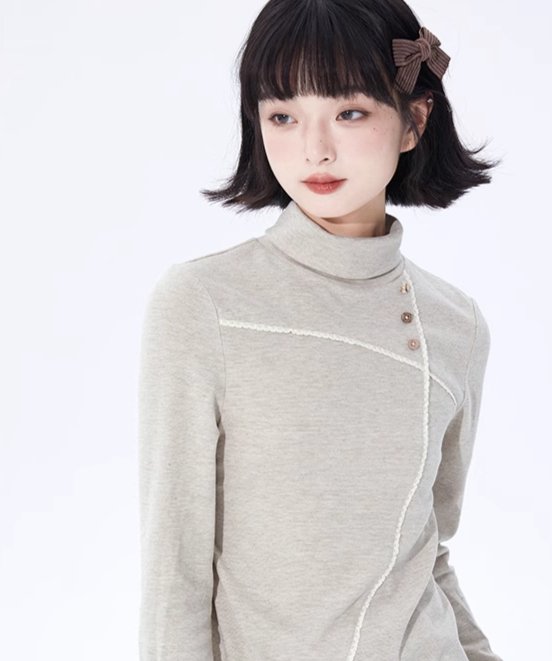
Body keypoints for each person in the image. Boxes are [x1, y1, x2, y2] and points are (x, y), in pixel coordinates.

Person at [137, 0, 504, 659]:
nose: (315, 149)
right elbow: (176, 568)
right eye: (283, 116)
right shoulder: (205, 304)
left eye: (349, 112)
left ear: (414, 121)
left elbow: (427, 550)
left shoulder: (457, 323)